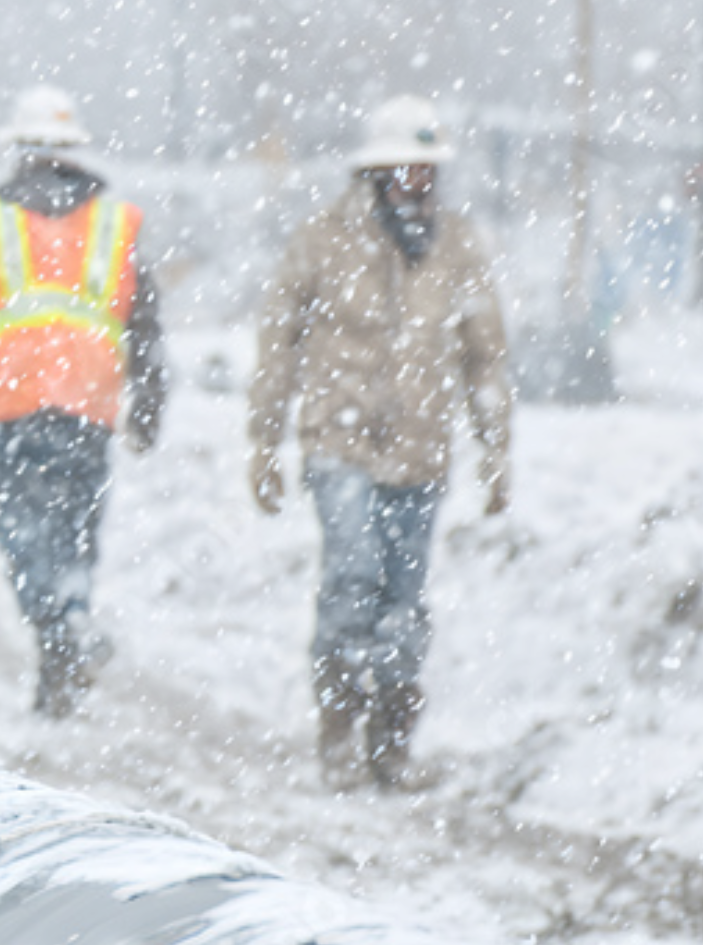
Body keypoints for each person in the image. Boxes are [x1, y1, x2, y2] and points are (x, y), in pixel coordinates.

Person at [247, 94, 512, 789]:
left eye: (427, 170)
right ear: (375, 171)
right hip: (339, 439)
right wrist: (264, 439)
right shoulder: (322, 240)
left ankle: (390, 739)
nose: (417, 182)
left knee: (403, 600)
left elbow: (485, 354)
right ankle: (338, 727)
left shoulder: (457, 246)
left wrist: (496, 449)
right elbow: (279, 340)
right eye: (404, 169)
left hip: (421, 450)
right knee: (352, 576)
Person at [0, 85, 166, 719]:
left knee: (25, 530)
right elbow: (146, 322)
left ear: (21, 150)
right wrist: (149, 401)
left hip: (14, 396)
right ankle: (72, 621)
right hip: (89, 396)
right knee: (77, 526)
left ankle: (56, 629)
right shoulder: (117, 223)